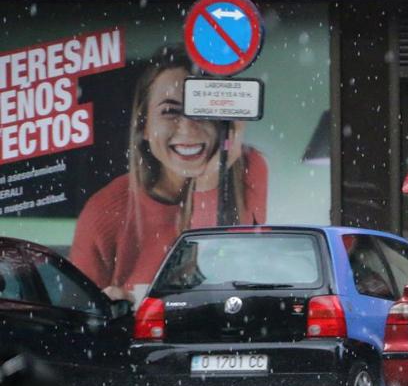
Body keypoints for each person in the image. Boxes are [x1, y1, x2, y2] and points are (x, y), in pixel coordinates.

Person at [70, 46, 268, 302]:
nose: (187, 126)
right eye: (170, 111)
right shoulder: (103, 210)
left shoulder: (250, 169)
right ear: (144, 126)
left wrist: (209, 181)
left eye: (202, 109)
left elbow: (215, 280)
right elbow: (81, 315)